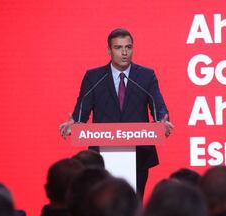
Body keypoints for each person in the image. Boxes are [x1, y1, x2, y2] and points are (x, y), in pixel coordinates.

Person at [59, 28, 173, 197]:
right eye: (118, 48)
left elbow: (159, 106)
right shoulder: (94, 77)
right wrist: (74, 123)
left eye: (128, 47)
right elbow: (81, 112)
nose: (124, 52)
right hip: (102, 156)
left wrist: (162, 121)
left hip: (138, 154)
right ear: (109, 50)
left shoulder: (146, 76)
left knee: (134, 203)